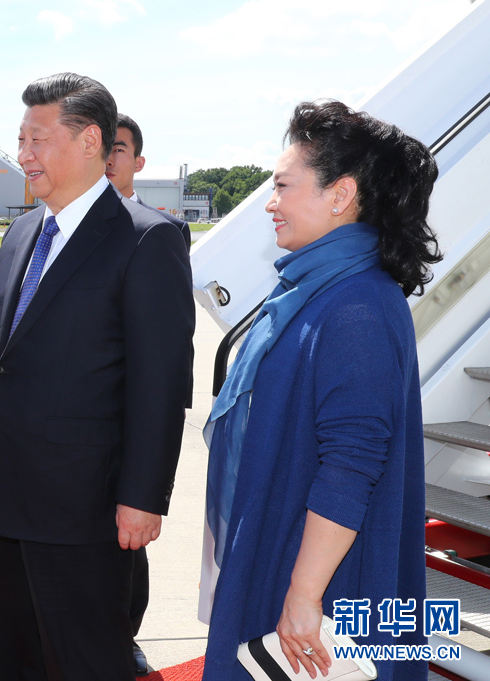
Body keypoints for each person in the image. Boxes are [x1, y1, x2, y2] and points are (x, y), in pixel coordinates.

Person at [0, 73, 195, 681]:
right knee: (15, 656)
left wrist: (143, 497)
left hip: (83, 509)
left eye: (37, 139)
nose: (23, 155)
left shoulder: (147, 239)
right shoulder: (23, 231)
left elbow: (160, 384)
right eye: (20, 139)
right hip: (3, 494)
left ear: (91, 142)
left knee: (85, 659)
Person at [200, 99, 440, 681]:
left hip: (327, 588)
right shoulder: (319, 289)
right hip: (294, 554)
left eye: (282, 186)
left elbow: (350, 466)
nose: (271, 203)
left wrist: (304, 598)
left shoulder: (355, 304)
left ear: (340, 195)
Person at [103, 111, 194, 676]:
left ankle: (126, 632)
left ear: (138, 161)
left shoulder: (159, 230)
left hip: (129, 414)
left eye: (119, 148)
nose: (109, 157)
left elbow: (168, 342)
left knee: (127, 545)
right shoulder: (50, 224)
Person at [106, 113, 192, 252]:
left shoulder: (170, 228)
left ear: (138, 164)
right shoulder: (68, 224)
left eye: (118, 150)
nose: (107, 160)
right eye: (101, 150)